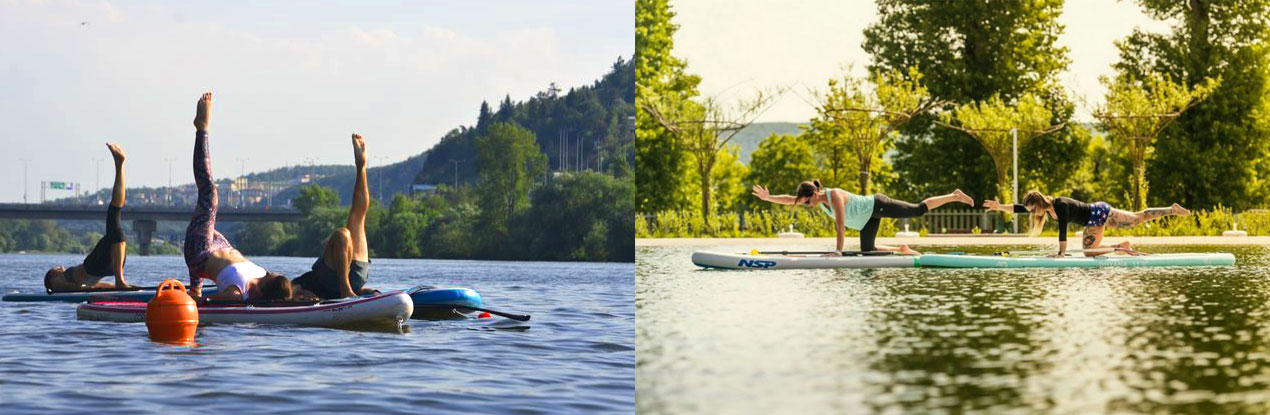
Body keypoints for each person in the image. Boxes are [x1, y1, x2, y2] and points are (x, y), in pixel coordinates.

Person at [183, 92, 291, 301]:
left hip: (201, 253)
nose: (272, 272)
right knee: (211, 208)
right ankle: (195, 286)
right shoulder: (264, 277)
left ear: (268, 286)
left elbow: (211, 301)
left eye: (273, 276)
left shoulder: (239, 292)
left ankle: (201, 129)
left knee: (210, 195)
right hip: (218, 248)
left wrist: (200, 300)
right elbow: (293, 289)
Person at [751, 180, 973, 255]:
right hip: (867, 220)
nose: (806, 205)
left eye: (807, 201)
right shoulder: (816, 200)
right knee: (868, 250)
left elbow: (840, 226)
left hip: (878, 205)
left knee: (917, 210)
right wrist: (768, 198)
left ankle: (954, 195)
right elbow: (790, 200)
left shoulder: (834, 195)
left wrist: (838, 252)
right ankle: (902, 250)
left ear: (815, 194)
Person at [290, 134, 378, 299]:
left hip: (340, 279)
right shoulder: (304, 285)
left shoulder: (306, 281)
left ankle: (361, 166)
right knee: (352, 223)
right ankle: (347, 290)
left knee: (353, 222)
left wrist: (296, 294)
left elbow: (288, 290)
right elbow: (287, 293)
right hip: (356, 277)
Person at [983, 190, 1191, 257]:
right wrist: (1000, 206)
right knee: (1089, 252)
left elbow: (1062, 231)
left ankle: (1171, 210)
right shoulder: (1045, 208)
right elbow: (1019, 208)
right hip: (1091, 221)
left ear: (1038, 204)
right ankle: (1122, 247)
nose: (1031, 214)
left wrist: (1060, 254)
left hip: (1099, 212)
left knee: (1136, 219)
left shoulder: (1060, 205)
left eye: (1032, 210)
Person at [44, 143, 136, 292]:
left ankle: (120, 165)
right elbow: (74, 288)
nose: (60, 267)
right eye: (55, 269)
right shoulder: (55, 283)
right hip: (96, 266)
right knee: (117, 230)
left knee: (115, 212)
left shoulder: (66, 277)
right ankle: (120, 279)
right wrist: (86, 290)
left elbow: (95, 285)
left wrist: (126, 290)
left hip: (104, 266)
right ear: (50, 277)